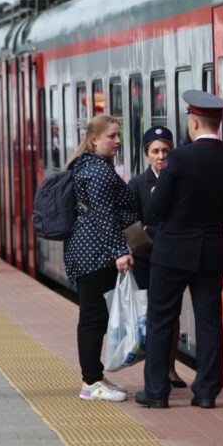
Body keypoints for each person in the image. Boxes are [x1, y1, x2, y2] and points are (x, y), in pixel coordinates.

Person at [135, 90, 223, 410]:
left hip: (170, 253)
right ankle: (207, 391)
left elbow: (155, 208)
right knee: (209, 321)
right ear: (218, 124)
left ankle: (156, 391)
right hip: (211, 252)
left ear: (194, 123)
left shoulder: (178, 160)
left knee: (161, 320)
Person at [64, 114, 139, 402]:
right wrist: (119, 251)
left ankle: (95, 376)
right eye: (112, 136)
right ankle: (91, 383)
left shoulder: (92, 166)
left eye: (119, 135)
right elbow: (103, 215)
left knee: (95, 316)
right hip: (94, 253)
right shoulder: (97, 171)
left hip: (91, 251)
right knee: (93, 318)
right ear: (94, 140)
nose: (118, 141)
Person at [127, 126, 187, 390]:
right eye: (155, 151)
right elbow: (130, 221)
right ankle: (155, 367)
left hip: (173, 256)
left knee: (172, 314)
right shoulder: (137, 184)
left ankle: (171, 368)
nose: (161, 156)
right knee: (150, 315)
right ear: (146, 154)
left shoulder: (180, 180)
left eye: (166, 150)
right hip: (146, 258)